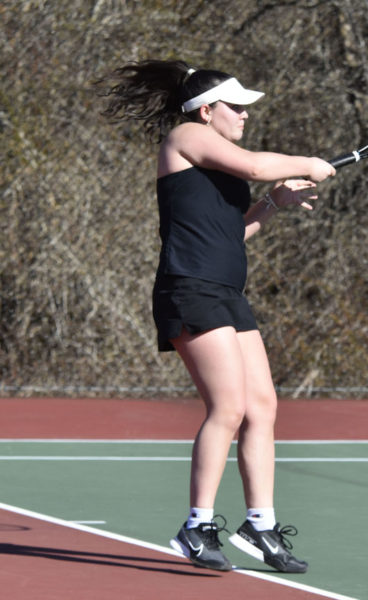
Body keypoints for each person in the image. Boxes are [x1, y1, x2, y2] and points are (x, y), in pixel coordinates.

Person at [96, 59, 335, 573]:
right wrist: (305, 162)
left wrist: (271, 204)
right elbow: (253, 165)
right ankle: (196, 526)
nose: (246, 115)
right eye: (237, 107)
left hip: (226, 292)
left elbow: (234, 233)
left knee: (262, 407)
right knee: (227, 407)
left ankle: (261, 526)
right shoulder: (184, 136)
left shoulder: (219, 170)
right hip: (189, 290)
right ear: (207, 111)